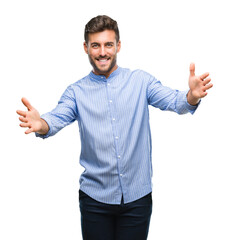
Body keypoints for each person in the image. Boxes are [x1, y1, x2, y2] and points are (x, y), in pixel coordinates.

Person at [16, 15, 213, 240]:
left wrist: (192, 96)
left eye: (108, 44)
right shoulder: (76, 92)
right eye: (96, 45)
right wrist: (39, 123)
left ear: (118, 46)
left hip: (137, 200)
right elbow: (53, 120)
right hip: (95, 200)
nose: (102, 52)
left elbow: (176, 102)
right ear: (86, 48)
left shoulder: (141, 81)